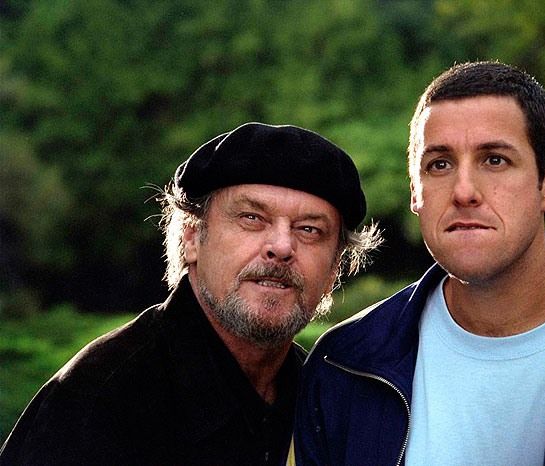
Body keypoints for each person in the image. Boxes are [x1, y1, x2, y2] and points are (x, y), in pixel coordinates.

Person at [0, 122, 381, 466]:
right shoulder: (100, 401)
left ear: (335, 269)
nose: (281, 247)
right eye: (252, 218)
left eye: (309, 229)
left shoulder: (324, 399)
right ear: (192, 238)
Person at [295, 61, 545, 465]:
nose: (464, 191)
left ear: (542, 185)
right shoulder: (343, 365)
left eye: (495, 160)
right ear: (415, 192)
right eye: (439, 164)